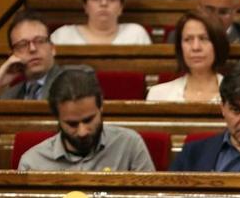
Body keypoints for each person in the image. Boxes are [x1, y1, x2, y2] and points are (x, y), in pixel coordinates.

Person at [18, 67, 155, 172]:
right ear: (57, 118)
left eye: (89, 120)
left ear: (101, 107)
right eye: (72, 124)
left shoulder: (129, 146)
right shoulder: (32, 163)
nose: (82, 132)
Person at [147, 11, 228, 103]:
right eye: (188, 39)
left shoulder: (236, 93)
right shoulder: (158, 95)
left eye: (203, 38)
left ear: (218, 44)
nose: (195, 47)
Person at [0, 11, 64, 101]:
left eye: (39, 41)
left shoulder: (74, 81)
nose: (32, 49)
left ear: (52, 48)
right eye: (23, 45)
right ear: (12, 56)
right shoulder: (10, 95)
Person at [49, 0, 151, 46]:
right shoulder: (63, 36)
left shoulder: (136, 34)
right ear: (85, 6)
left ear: (121, 7)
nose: (104, 3)